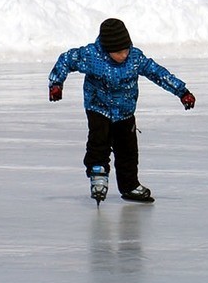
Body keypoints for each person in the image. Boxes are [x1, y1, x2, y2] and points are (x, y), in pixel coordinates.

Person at [48, 18, 195, 203]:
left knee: (128, 151)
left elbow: (158, 73)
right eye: (118, 52)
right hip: (98, 107)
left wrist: (182, 92)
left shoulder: (135, 57)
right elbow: (66, 60)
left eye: (126, 49)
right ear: (107, 49)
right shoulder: (91, 55)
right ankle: (98, 173)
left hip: (125, 112)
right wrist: (56, 83)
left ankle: (130, 186)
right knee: (98, 142)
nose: (124, 55)